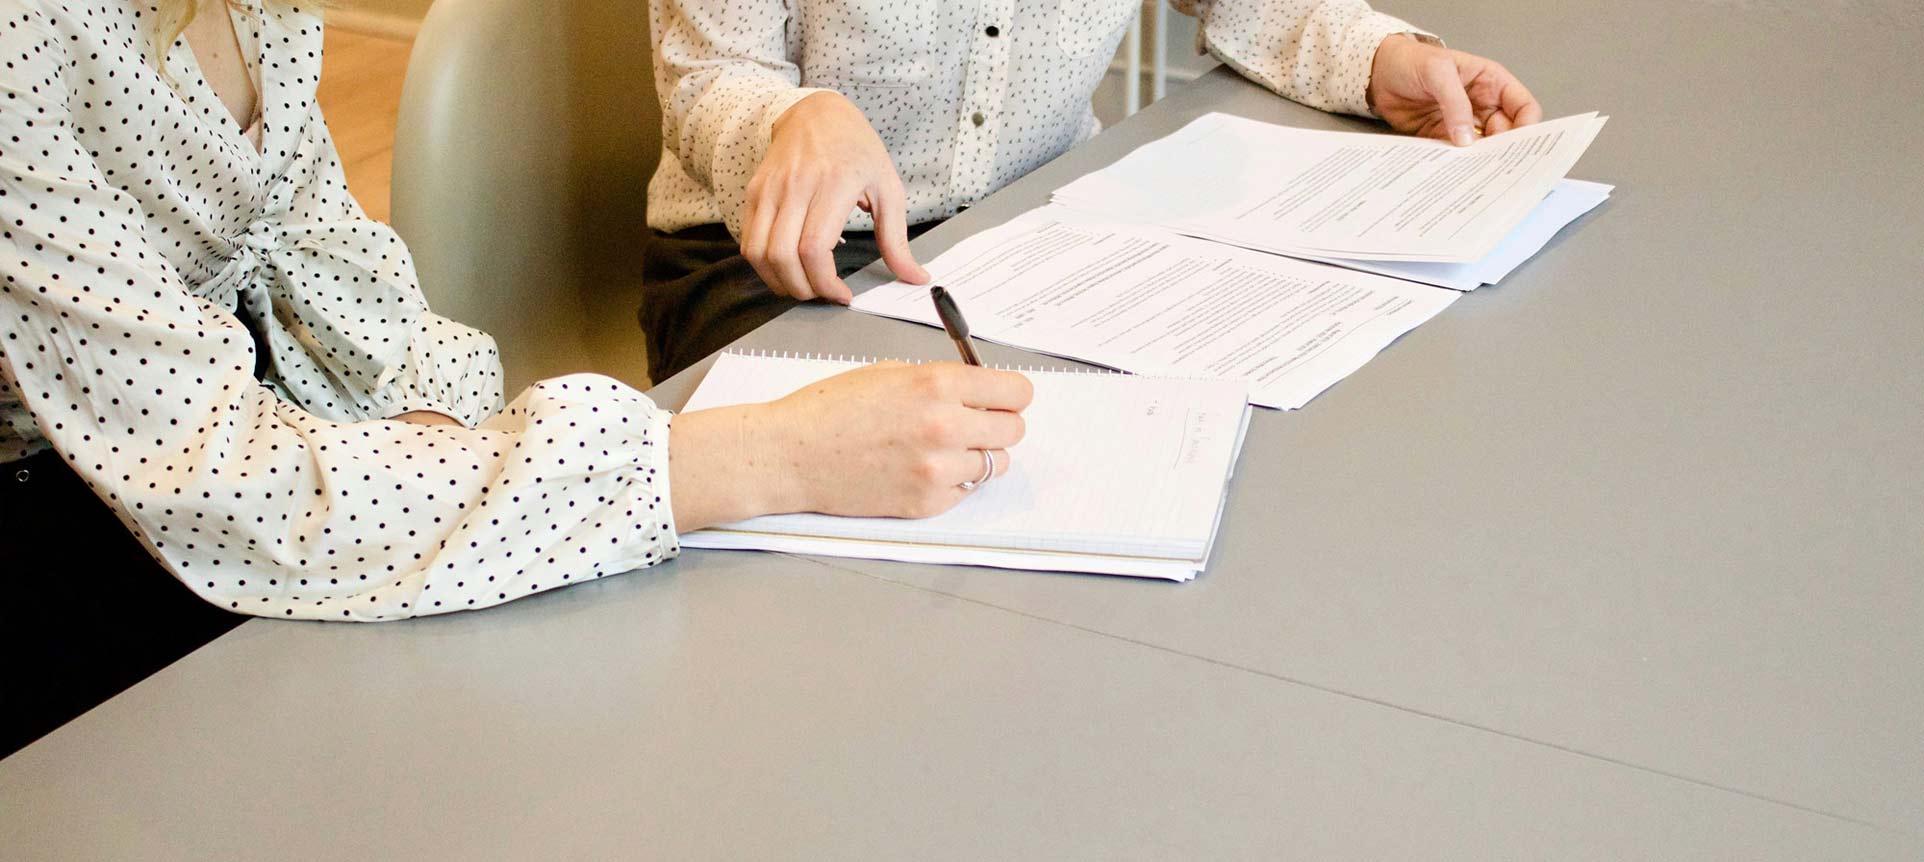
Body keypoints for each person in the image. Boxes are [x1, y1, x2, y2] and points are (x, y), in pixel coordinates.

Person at [0, 0, 1031, 758]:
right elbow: (227, 480)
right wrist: (762, 457)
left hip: (225, 423)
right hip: (73, 511)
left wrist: (444, 441)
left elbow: (328, 267)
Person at [640, 0, 1544, 379]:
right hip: (769, 257)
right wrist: (794, 119)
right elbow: (707, 73)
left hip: (1037, 230)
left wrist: (1382, 60)